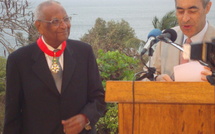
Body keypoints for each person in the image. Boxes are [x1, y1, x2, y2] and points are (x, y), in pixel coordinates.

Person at [3, 1, 106, 134]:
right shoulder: (19, 60)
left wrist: (85, 118)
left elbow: (98, 97)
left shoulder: (84, 52)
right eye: (55, 21)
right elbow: (13, 115)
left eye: (66, 19)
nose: (64, 26)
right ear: (39, 26)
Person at [151, 0, 215, 81]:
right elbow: (145, 75)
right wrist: (157, 79)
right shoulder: (166, 39)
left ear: (207, 8)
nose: (185, 19)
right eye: (180, 12)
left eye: (192, 11)